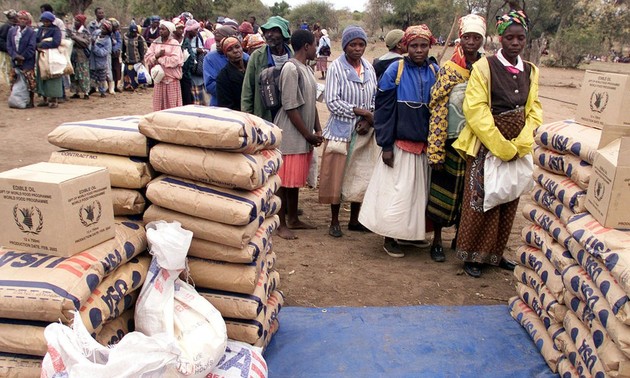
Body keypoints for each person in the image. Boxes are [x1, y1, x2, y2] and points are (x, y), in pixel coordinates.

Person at [452, 10, 543, 277]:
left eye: (521, 38)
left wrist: (523, 141)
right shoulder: (484, 67)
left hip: (518, 145)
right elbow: (475, 109)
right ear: (499, 38)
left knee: (507, 197)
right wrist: (500, 145)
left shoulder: (530, 70)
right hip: (487, 145)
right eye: (510, 38)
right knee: (481, 198)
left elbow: (534, 107)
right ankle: (472, 256)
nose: (515, 43)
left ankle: (495, 254)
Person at [359, 25, 439, 258]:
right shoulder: (396, 70)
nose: (419, 50)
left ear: (429, 46)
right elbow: (383, 111)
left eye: (423, 46)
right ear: (405, 46)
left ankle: (409, 236)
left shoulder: (434, 70)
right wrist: (385, 145)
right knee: (396, 193)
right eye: (414, 45)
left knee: (416, 194)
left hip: (423, 145)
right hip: (399, 144)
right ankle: (389, 237)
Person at [426, 15, 486, 263]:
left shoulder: (486, 69)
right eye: (467, 37)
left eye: (476, 38)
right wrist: (436, 150)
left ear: (482, 40)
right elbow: (438, 109)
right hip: (450, 142)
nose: (471, 42)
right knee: (443, 191)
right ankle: (437, 241)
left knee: (469, 194)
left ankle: (461, 238)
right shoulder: (449, 70)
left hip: (476, 142)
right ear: (460, 39)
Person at [319, 25, 377, 238]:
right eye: (353, 44)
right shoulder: (336, 68)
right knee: (336, 176)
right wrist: (360, 113)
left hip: (363, 132)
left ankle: (354, 219)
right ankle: (334, 221)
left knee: (359, 175)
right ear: (345, 46)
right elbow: (332, 102)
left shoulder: (368, 67)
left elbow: (374, 97)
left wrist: (367, 119)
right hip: (340, 131)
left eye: (361, 44)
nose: (357, 48)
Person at [273, 29, 323, 239]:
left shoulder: (306, 69)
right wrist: (308, 134)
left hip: (302, 133)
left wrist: (317, 128)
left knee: (294, 180)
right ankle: (280, 223)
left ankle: (293, 218)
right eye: (314, 44)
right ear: (306, 46)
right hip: (291, 133)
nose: (316, 48)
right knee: (283, 182)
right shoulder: (291, 69)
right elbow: (290, 106)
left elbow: (311, 103)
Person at [241, 15, 293, 121]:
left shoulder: (293, 55)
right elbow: (248, 89)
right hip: (264, 115)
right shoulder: (257, 56)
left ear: (283, 34)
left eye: (274, 31)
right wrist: (248, 118)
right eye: (266, 31)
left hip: (288, 115)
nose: (269, 34)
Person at [203, 25, 247, 106]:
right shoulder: (210, 58)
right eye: (216, 41)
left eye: (220, 41)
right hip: (220, 105)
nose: (217, 44)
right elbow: (209, 85)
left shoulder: (246, 58)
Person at [144, 20, 184, 111]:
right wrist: (156, 56)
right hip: (159, 80)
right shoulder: (156, 43)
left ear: (169, 31)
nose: (161, 31)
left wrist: (160, 59)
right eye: (160, 29)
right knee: (159, 108)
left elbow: (175, 61)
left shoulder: (174, 43)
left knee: (172, 109)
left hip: (171, 81)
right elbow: (147, 58)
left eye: (163, 29)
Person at [6, 10, 36, 107]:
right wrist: (15, 56)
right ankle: (16, 99)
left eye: (24, 19)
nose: (22, 21)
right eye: (20, 18)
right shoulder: (12, 31)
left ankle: (30, 101)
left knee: (29, 81)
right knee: (14, 80)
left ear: (28, 21)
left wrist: (23, 57)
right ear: (17, 20)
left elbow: (32, 47)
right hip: (15, 60)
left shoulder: (31, 32)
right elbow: (9, 46)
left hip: (27, 61)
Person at [35, 11, 63, 108]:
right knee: (42, 75)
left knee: (52, 76)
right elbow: (36, 39)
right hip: (41, 55)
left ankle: (53, 99)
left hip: (52, 56)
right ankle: (44, 98)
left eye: (47, 21)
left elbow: (56, 42)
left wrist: (42, 45)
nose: (45, 23)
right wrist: (37, 46)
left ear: (51, 21)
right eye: (44, 21)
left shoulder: (56, 30)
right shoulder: (40, 29)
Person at [216, 37, 247, 110]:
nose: (235, 51)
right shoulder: (223, 76)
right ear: (226, 54)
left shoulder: (252, 67)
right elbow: (225, 105)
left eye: (237, 47)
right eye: (230, 50)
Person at [68, 14, 91, 100]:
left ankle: (86, 92)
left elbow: (85, 43)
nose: (75, 23)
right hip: (73, 56)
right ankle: (76, 92)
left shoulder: (85, 31)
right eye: (75, 21)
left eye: (78, 21)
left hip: (82, 56)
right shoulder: (72, 30)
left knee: (83, 75)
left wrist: (75, 38)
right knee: (74, 75)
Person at [185, 19, 206, 105]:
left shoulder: (198, 38)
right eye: (195, 29)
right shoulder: (184, 39)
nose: (196, 31)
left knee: (199, 95)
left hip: (196, 69)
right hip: (187, 70)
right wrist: (195, 50)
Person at [89, 20, 112, 98]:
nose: (102, 30)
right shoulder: (96, 33)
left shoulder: (108, 41)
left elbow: (104, 53)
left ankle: (102, 91)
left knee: (101, 77)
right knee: (92, 76)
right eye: (102, 27)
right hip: (92, 60)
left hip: (101, 62)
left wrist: (94, 46)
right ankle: (92, 88)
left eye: (105, 29)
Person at [122, 22, 147, 91]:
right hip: (128, 59)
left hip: (137, 59)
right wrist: (122, 57)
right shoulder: (125, 37)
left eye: (135, 32)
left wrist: (142, 59)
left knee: (138, 73)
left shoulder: (139, 38)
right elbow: (123, 47)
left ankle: (137, 85)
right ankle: (127, 85)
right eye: (133, 32)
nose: (134, 34)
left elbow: (141, 49)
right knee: (128, 72)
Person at [1, 9, 18, 86]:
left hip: (13, 52)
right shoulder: (6, 26)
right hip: (7, 52)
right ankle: (9, 84)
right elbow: (1, 40)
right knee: (7, 68)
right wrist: (8, 49)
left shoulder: (15, 26)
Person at [109, 18, 122, 93]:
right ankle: (110, 87)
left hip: (115, 54)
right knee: (110, 70)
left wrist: (114, 49)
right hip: (109, 54)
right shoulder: (108, 33)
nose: (116, 29)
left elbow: (119, 42)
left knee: (117, 70)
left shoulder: (117, 33)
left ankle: (116, 86)